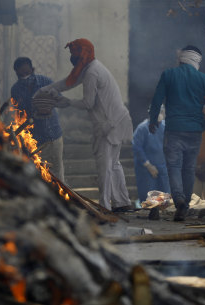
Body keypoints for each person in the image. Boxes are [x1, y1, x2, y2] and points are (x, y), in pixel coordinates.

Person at [36, 38, 133, 212]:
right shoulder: (90, 67)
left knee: (105, 166)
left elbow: (88, 103)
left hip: (109, 124)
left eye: (75, 54)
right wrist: (46, 90)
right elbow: (69, 82)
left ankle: (105, 206)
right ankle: (122, 202)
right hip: (118, 120)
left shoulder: (91, 72)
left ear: (84, 53)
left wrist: (67, 102)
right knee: (113, 164)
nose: (72, 57)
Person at [149, 45, 205, 221]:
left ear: (181, 58)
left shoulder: (168, 74)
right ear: (197, 60)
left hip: (174, 129)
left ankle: (179, 199)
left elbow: (157, 99)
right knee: (188, 168)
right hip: (195, 131)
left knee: (174, 167)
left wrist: (153, 120)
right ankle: (185, 204)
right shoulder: (204, 79)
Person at [10, 57, 65, 181]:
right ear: (16, 73)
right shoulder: (15, 89)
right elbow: (19, 115)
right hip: (35, 139)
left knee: (57, 170)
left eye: (27, 73)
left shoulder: (46, 82)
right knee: (41, 173)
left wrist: (48, 104)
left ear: (32, 69)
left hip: (53, 134)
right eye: (21, 74)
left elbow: (60, 100)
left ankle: (62, 198)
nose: (25, 77)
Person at [132, 114, 170, 220]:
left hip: (163, 166)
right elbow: (137, 147)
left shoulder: (164, 126)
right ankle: (149, 215)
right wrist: (148, 165)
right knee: (148, 194)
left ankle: (163, 214)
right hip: (146, 168)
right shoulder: (142, 128)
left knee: (164, 194)